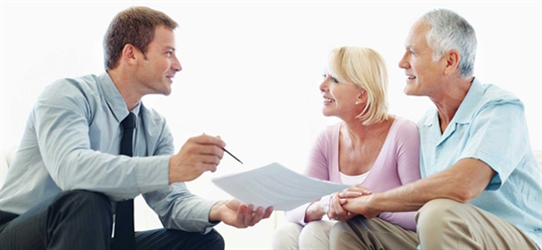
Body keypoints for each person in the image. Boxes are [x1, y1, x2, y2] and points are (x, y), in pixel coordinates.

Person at [0, 6, 272, 250]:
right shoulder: (67, 95)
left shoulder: (154, 127)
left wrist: (218, 209)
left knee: (205, 241)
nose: (178, 65)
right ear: (130, 54)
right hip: (21, 232)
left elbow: (172, 202)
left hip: (97, 238)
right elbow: (72, 170)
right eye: (168, 53)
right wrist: (170, 167)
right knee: (86, 200)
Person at [330, 9, 542, 250]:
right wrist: (354, 201)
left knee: (437, 212)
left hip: (519, 238)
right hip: (445, 235)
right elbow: (411, 194)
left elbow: (464, 184)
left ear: (449, 62)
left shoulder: (500, 108)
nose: (401, 62)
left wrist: (374, 202)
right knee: (351, 231)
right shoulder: (425, 126)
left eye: (413, 52)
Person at [271, 47, 421, 249]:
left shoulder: (403, 132)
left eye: (334, 80)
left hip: (388, 240)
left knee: (316, 231)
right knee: (286, 231)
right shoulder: (327, 139)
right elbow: (293, 209)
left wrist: (370, 205)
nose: (322, 86)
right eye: (325, 76)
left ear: (361, 94)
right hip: (347, 238)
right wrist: (325, 205)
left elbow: (419, 213)